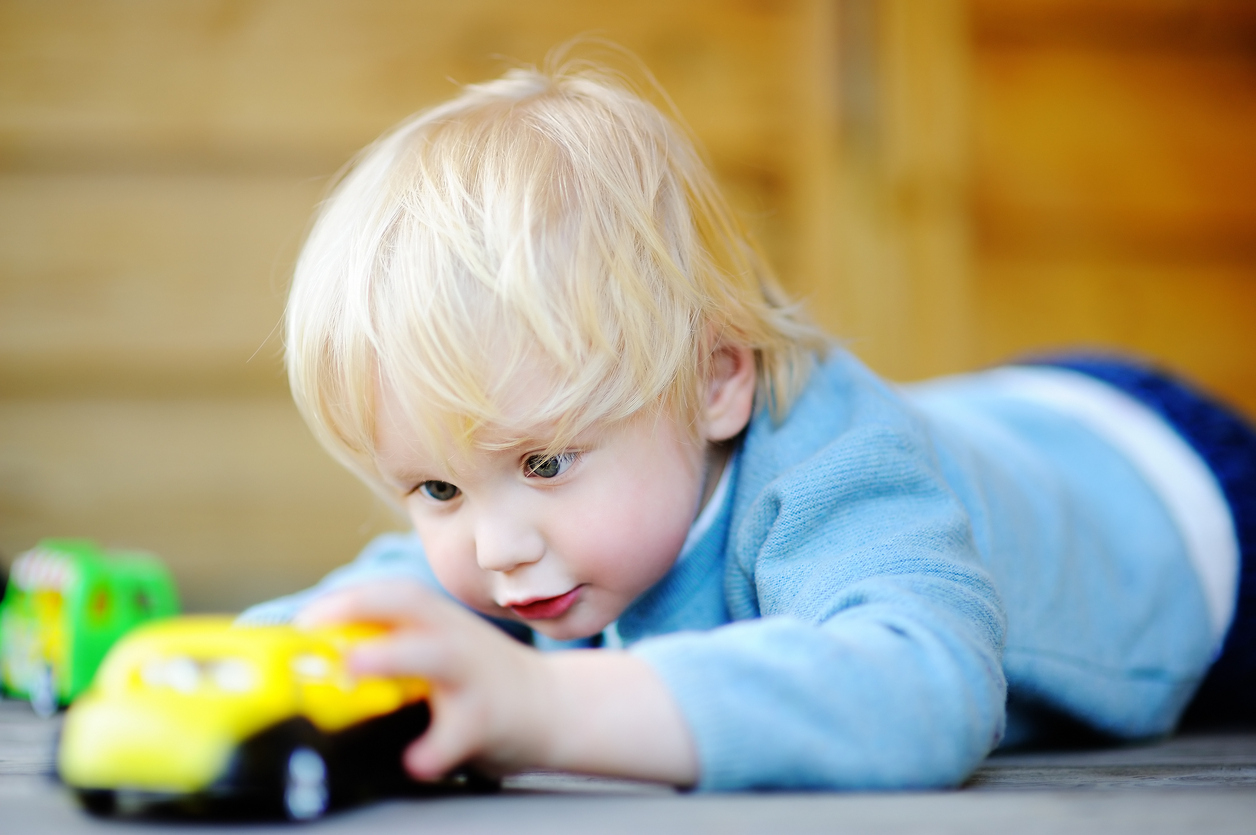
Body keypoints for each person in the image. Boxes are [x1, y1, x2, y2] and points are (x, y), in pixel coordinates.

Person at [241, 59, 1256, 791]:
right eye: (438, 489)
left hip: (1178, 510)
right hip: (999, 429)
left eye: (543, 461)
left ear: (715, 379)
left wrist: (545, 708)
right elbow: (389, 600)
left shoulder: (838, 483)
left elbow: (922, 688)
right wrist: (224, 671)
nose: (495, 546)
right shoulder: (541, 524)